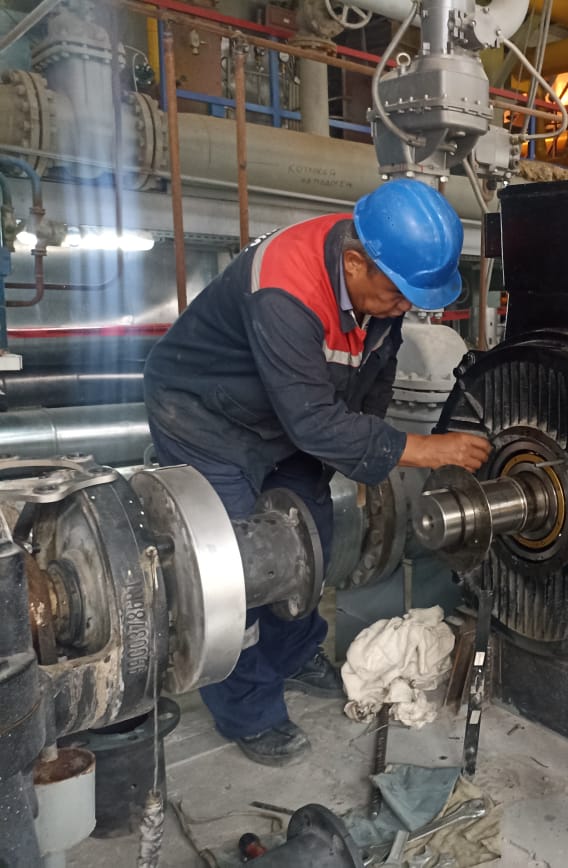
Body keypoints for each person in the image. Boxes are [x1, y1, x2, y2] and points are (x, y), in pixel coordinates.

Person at [143, 178, 492, 765]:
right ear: (354, 263)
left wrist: (369, 455)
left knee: (310, 543)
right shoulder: (286, 290)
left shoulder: (379, 287)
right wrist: (426, 451)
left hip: (281, 417)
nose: (404, 308)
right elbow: (313, 423)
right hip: (206, 418)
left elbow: (374, 375)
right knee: (237, 573)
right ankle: (249, 709)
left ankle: (294, 653)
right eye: (399, 294)